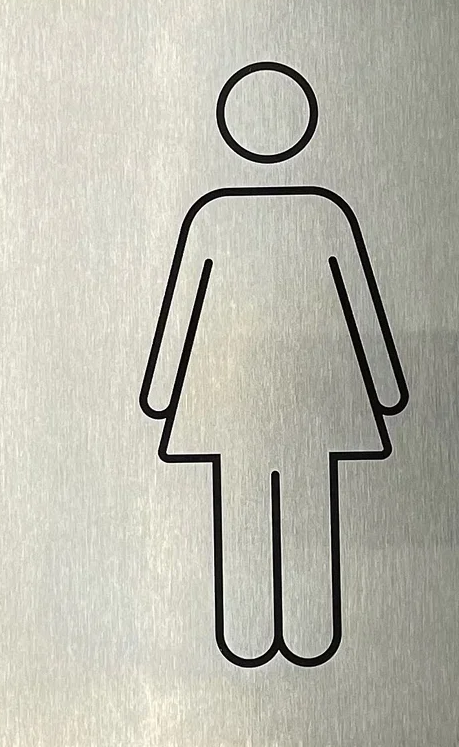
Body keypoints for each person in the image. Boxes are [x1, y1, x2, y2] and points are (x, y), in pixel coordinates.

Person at [140, 61, 408, 668]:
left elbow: (181, 310)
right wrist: (387, 390)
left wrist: (160, 394)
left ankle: (247, 632)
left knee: (241, 515)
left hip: (229, 401)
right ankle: (310, 632)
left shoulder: (214, 215)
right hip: (317, 396)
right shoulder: (324, 212)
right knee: (309, 512)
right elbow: (362, 309)